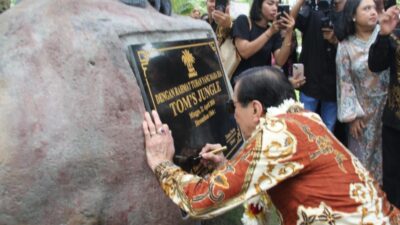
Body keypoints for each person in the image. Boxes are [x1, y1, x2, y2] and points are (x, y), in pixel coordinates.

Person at [142, 66, 399, 225]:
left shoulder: (277, 133)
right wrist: (228, 167)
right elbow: (281, 177)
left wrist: (162, 163)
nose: (233, 116)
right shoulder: (306, 118)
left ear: (256, 109)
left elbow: (200, 199)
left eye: (233, 107)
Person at [336, 0, 390, 184]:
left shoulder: (385, 35)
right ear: (353, 15)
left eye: (373, 8)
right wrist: (352, 117)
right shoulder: (345, 47)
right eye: (366, 9)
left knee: (389, 163)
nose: (372, 12)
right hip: (363, 115)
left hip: (388, 109)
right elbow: (344, 82)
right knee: (363, 166)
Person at [289, 0, 344, 132]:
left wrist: (334, 40)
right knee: (304, 126)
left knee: (328, 129)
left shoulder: (345, 14)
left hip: (332, 84)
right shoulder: (310, 9)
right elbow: (290, 20)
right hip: (310, 81)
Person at [368, 5, 400, 208]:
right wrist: (383, 34)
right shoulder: (394, 33)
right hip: (395, 123)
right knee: (393, 179)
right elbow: (375, 64)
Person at [231, 0, 297, 86]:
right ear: (259, 5)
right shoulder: (243, 20)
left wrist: (289, 32)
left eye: (277, 5)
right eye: (270, 3)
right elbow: (244, 52)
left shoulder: (274, 31)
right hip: (241, 84)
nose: (275, 8)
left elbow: (280, 60)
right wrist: (270, 31)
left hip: (262, 84)